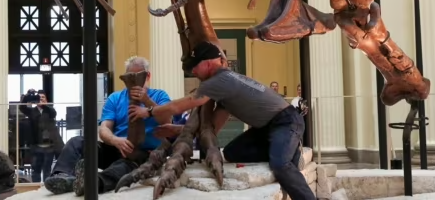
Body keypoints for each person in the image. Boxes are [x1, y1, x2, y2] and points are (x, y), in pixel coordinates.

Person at [135, 42, 315, 200]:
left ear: (206, 64)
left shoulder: (218, 81)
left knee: (280, 165)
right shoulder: (223, 89)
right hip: (265, 129)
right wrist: (176, 130)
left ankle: (291, 161)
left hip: (287, 121)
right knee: (231, 152)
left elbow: (181, 105)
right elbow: (213, 127)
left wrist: (149, 111)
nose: (193, 72)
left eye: (194, 67)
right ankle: (285, 150)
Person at [43, 56, 183, 196]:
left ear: (148, 76)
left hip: (144, 154)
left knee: (123, 167)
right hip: (117, 147)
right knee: (77, 142)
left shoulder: (159, 96)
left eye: (138, 76)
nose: (134, 81)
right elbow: (104, 128)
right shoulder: (114, 98)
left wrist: (147, 102)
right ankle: (62, 176)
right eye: (130, 76)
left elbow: (167, 120)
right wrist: (116, 141)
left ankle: (91, 182)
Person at [29, 90, 64, 182]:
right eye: (39, 98)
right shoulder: (32, 111)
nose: (41, 99)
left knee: (47, 170)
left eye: (43, 97)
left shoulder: (49, 110)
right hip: (37, 146)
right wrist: (28, 96)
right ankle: (35, 190)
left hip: (49, 146)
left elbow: (53, 113)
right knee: (36, 169)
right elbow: (22, 108)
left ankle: (46, 188)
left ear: (46, 100)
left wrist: (45, 105)